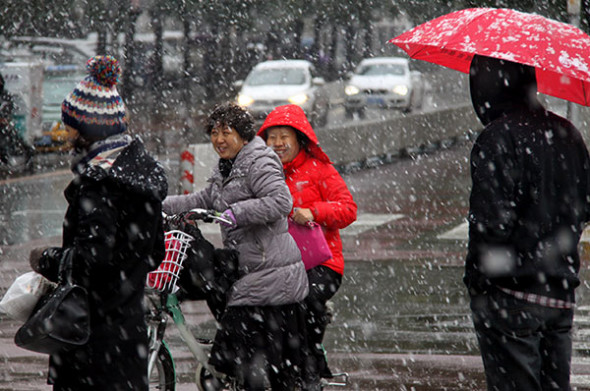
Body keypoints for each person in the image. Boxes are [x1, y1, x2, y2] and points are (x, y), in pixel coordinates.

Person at [28, 55, 168, 391]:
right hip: (127, 335)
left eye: (71, 122)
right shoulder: (140, 174)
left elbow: (92, 261)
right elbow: (156, 252)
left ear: (89, 127)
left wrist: (47, 259)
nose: (66, 130)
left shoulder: (99, 184)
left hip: (90, 338)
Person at [464, 55, 590, 391]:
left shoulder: (497, 138)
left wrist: (478, 279)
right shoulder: (567, 133)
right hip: (560, 291)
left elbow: (490, 223)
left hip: (510, 294)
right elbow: (583, 207)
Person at [162, 103, 309, 390]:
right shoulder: (227, 167)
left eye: (226, 132)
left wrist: (236, 213)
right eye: (214, 133)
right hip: (248, 268)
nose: (218, 139)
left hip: (271, 272)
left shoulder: (259, 161)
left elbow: (281, 201)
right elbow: (201, 200)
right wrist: (155, 204)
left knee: (248, 357)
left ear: (242, 135)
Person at [257, 104, 357, 391]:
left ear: (299, 138)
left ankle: (308, 368)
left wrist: (313, 211)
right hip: (278, 263)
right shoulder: (263, 173)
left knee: (300, 299)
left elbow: (348, 210)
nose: (276, 144)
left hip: (322, 264)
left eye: (283, 136)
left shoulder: (320, 170)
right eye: (271, 137)